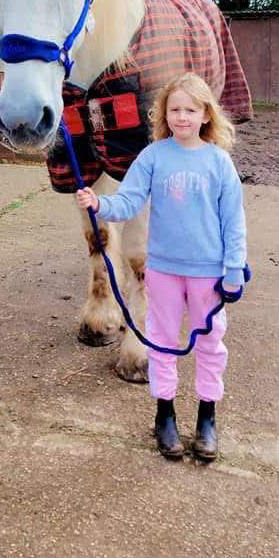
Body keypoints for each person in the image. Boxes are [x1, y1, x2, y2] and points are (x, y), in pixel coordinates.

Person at [76, 71, 247, 462]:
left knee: (210, 344)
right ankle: (164, 414)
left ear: (206, 114)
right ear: (163, 114)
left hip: (208, 273)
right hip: (164, 271)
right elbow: (130, 200)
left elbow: (233, 221)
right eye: (174, 110)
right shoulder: (153, 157)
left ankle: (207, 416)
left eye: (190, 109)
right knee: (161, 341)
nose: (182, 117)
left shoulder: (219, 163)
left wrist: (234, 270)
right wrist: (100, 204)